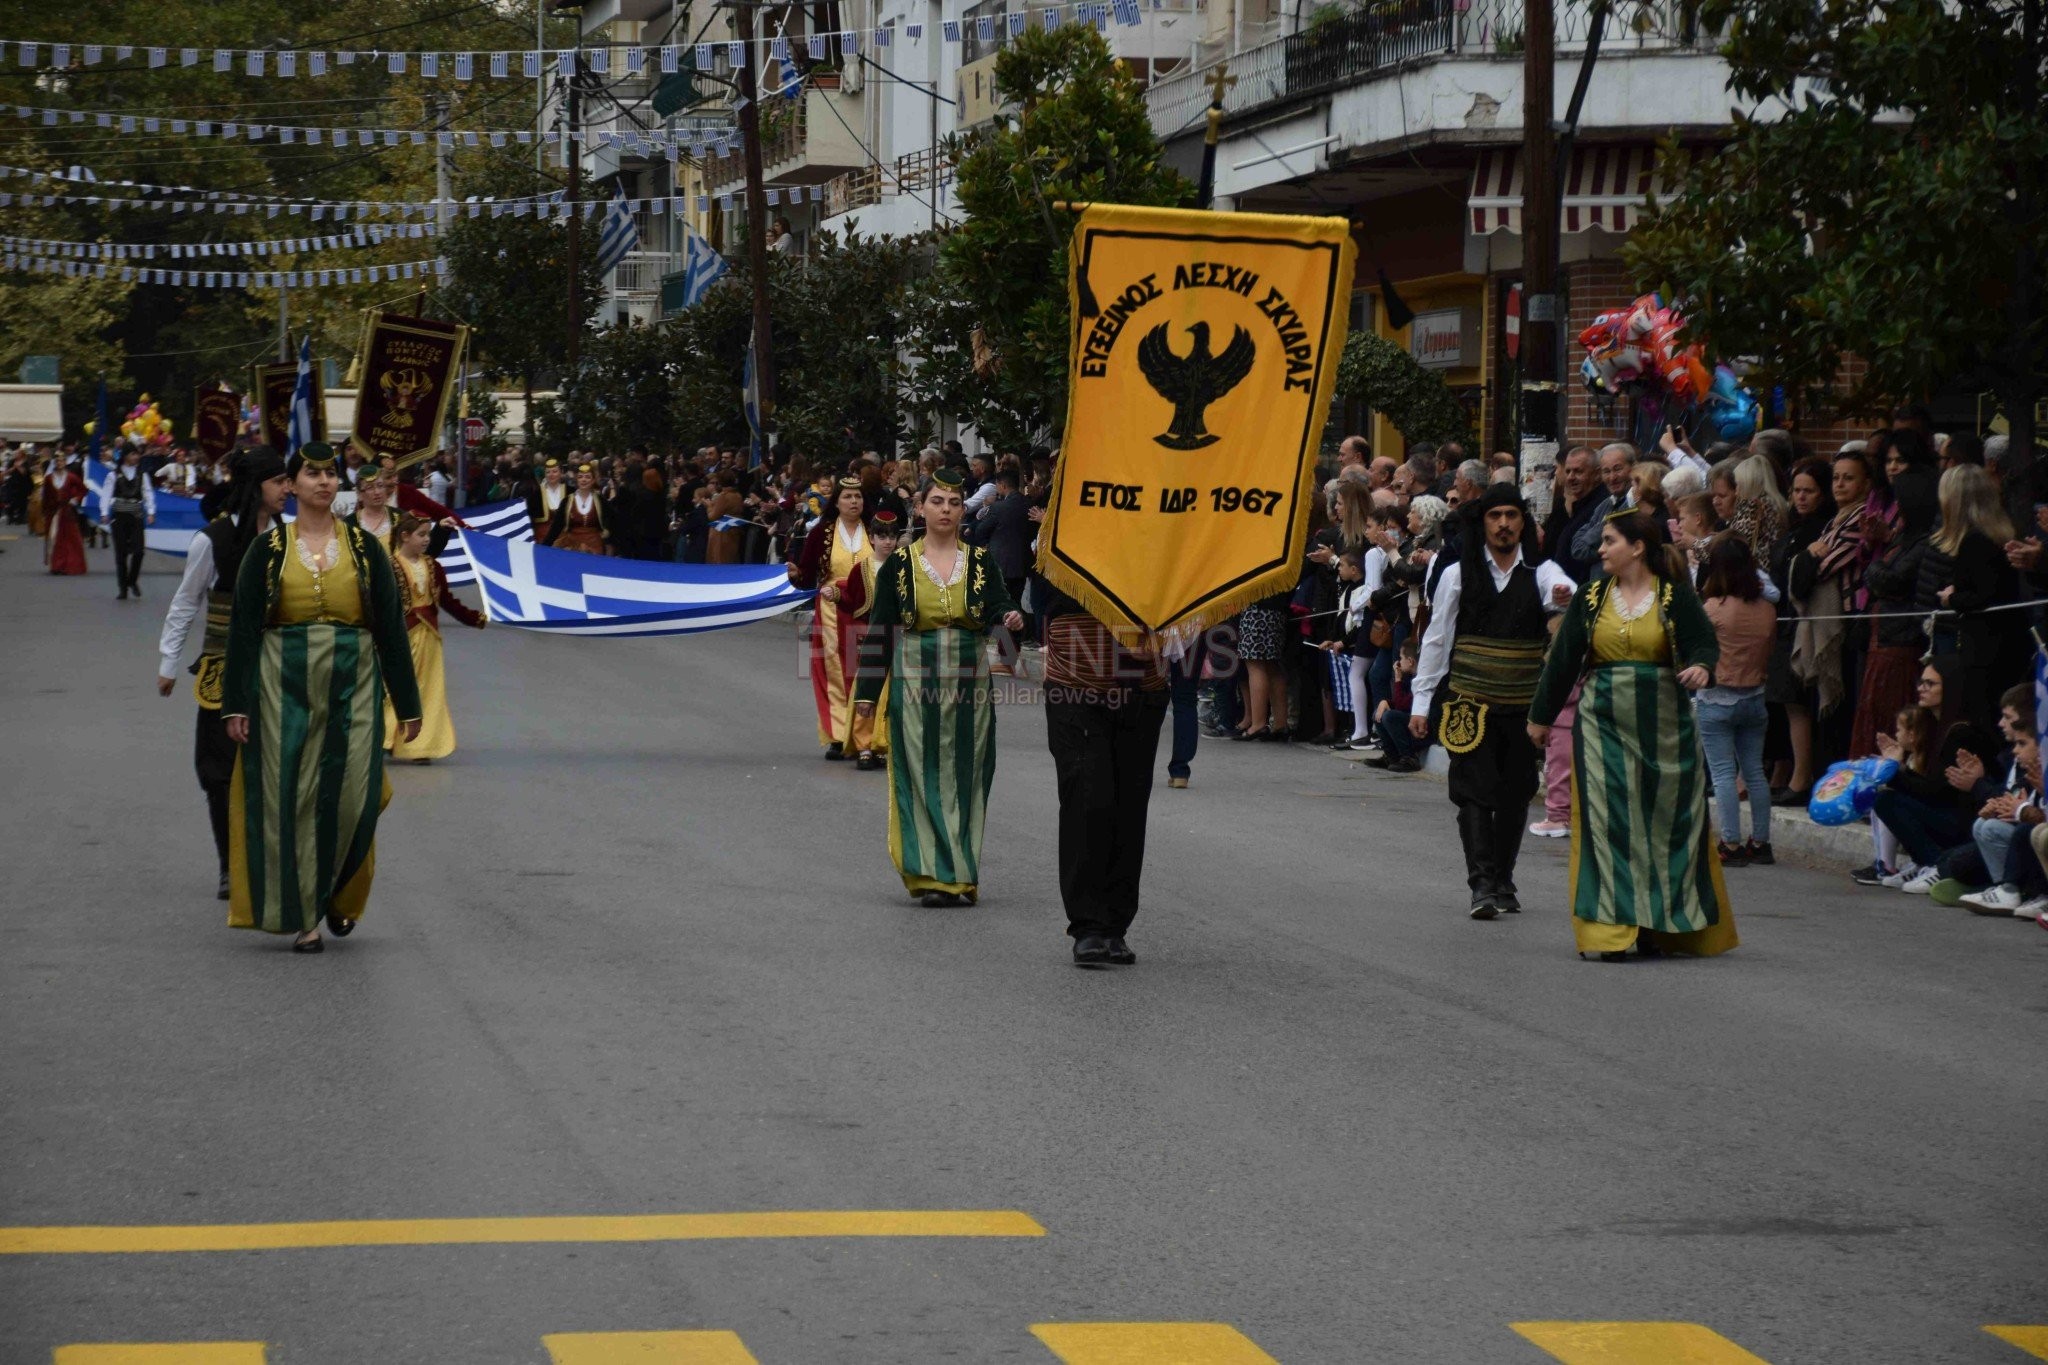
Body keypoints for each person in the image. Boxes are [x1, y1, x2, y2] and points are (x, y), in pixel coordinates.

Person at [220, 445, 423, 952]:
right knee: (292, 798)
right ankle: (306, 917)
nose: (324, 482)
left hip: (353, 687)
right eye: (312, 473)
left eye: (331, 474)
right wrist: (235, 702)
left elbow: (391, 631)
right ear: (292, 484)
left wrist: (409, 704)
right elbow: (244, 629)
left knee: (357, 794)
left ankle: (339, 894)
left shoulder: (364, 548)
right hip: (280, 688)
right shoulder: (267, 551)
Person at [1528, 510, 1738, 961]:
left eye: (1609, 541)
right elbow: (1563, 661)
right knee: (1610, 826)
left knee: (1665, 827)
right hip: (1602, 725)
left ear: (1637, 547)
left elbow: (1703, 642)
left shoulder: (1674, 596)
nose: (1600, 550)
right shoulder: (1591, 597)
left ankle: (1658, 924)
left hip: (1666, 728)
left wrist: (1702, 665)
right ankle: (1611, 930)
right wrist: (1540, 717)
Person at [852, 471, 1022, 908]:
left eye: (954, 502)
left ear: (963, 510)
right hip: (914, 679)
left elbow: (1001, 606)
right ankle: (929, 872)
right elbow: (882, 631)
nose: (946, 509)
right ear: (921, 508)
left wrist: (1011, 620)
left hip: (970, 683)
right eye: (937, 501)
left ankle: (960, 873)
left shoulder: (981, 563)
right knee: (922, 772)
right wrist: (868, 696)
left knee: (968, 773)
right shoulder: (900, 566)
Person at [1411, 484, 1576, 918]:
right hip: (1469, 702)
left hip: (1521, 704)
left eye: (1512, 515)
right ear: (1482, 522)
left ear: (1524, 522)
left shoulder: (1542, 571)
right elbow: (1437, 639)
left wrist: (1565, 598)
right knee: (1473, 793)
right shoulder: (1458, 574)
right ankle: (1481, 883)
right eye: (1495, 516)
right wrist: (1421, 702)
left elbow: (1566, 593)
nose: (1504, 524)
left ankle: (1503, 878)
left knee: (1516, 793)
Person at [156, 446, 293, 900]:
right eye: (279, 482)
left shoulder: (290, 537)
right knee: (219, 773)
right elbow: (185, 602)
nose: (287, 489)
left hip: (279, 667)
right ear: (257, 487)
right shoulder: (210, 540)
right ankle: (230, 863)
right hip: (222, 667)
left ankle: (273, 857)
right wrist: (168, 663)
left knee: (279, 768)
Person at [1039, 581, 1169, 966]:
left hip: (1143, 680)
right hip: (1078, 679)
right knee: (1088, 798)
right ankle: (1089, 926)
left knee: (1129, 806)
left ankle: (1115, 925)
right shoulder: (1074, 524)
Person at [1695, 535, 1780, 866]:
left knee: (1722, 774)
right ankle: (1760, 841)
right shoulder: (1767, 610)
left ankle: (1730, 843)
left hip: (1717, 698)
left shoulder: (1714, 608)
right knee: (1755, 772)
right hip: (1755, 695)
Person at [385, 513, 487, 764]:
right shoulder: (389, 566)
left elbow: (446, 602)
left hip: (429, 639)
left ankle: (420, 745)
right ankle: (385, 736)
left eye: (428, 534)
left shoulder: (433, 566)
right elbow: (380, 605)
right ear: (404, 537)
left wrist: (475, 618)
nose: (426, 540)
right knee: (392, 688)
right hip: (400, 638)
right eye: (421, 534)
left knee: (427, 691)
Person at [791, 477, 876, 760]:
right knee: (834, 672)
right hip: (831, 609)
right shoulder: (822, 533)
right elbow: (805, 572)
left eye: (858, 497)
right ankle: (839, 735)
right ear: (837, 502)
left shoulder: (875, 532)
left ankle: (866, 734)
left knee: (867, 670)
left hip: (868, 608)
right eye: (848, 497)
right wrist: (793, 575)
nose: (854, 502)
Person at [836, 508, 904, 769]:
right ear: (872, 538)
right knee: (866, 690)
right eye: (882, 536)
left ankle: (883, 743)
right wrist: (838, 596)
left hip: (896, 637)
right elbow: (852, 601)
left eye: (892, 537)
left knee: (891, 694)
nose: (887, 542)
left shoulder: (904, 568)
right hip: (868, 636)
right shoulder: (860, 570)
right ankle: (864, 745)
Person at [100, 444, 158, 599]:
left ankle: (132, 580)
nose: (136, 457)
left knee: (139, 551)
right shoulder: (114, 475)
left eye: (137, 454)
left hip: (136, 516)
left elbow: (148, 493)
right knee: (121, 554)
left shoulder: (142, 475)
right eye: (133, 454)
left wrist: (151, 511)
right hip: (119, 516)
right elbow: (106, 494)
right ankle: (123, 588)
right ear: (125, 456)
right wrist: (104, 512)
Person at [545, 462, 612, 555]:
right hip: (573, 546)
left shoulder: (600, 501)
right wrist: (544, 547)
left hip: (595, 547)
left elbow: (611, 522)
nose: (583, 480)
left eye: (587, 477)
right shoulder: (567, 501)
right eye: (580, 477)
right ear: (577, 480)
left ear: (593, 480)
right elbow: (556, 526)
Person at [41, 456, 88, 575]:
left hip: (67, 512)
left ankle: (73, 565)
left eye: (62, 460)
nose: (59, 463)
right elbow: (46, 496)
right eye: (57, 461)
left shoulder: (71, 477)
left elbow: (83, 489)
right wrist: (45, 511)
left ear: (65, 462)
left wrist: (76, 499)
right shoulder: (49, 478)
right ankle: (58, 565)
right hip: (54, 512)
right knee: (56, 538)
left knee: (72, 538)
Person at [529, 458, 569, 532]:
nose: (551, 475)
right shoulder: (536, 494)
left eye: (554, 471)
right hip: (542, 537)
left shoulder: (569, 491)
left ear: (561, 472)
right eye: (548, 472)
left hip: (564, 536)